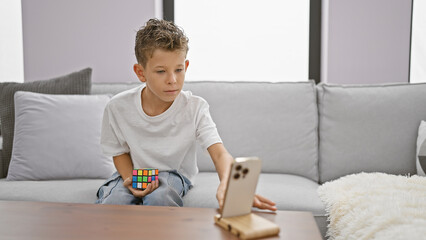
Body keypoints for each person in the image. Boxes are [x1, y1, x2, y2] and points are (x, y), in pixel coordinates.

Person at [95, 18, 277, 211]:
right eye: (161, 71)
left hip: (173, 174)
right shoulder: (117, 107)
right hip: (134, 172)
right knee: (114, 203)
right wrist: (131, 178)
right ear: (141, 72)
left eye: (179, 70)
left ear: (186, 66)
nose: (172, 80)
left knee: (160, 199)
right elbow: (119, 151)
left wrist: (228, 182)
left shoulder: (195, 107)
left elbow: (219, 153)